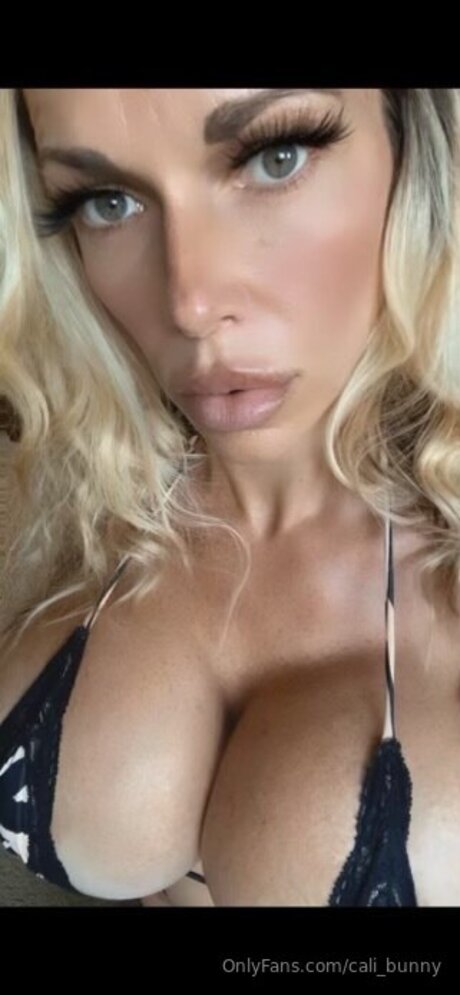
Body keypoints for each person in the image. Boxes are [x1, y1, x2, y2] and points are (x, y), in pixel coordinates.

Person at [0, 88, 460, 907]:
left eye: (276, 158)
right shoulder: (70, 482)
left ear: (416, 145)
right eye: (107, 201)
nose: (190, 303)